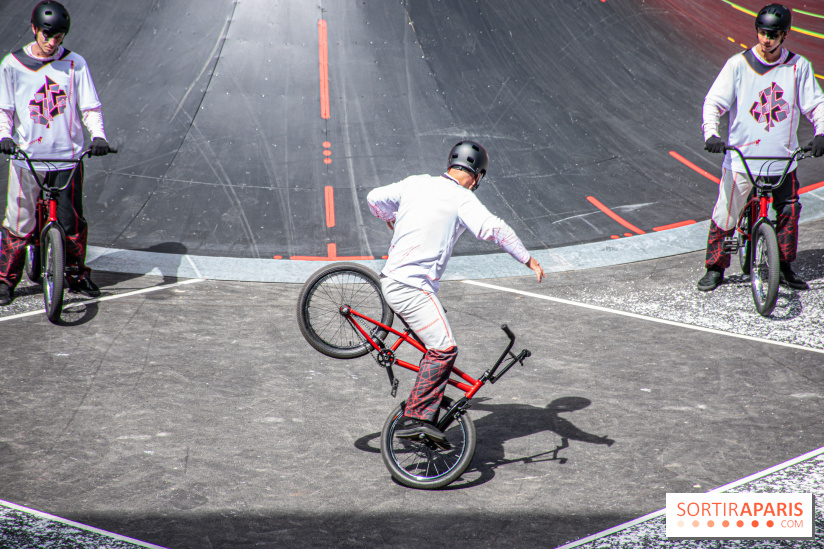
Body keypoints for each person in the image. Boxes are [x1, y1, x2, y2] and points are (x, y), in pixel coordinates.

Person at [366, 140, 544, 443]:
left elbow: (373, 199)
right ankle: (415, 417)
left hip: (393, 280)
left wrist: (390, 219)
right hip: (411, 288)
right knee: (444, 349)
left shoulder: (416, 183)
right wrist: (528, 259)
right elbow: (495, 229)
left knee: (436, 341)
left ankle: (426, 396)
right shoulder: (463, 199)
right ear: (477, 176)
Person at [697, 3, 824, 292]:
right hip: (742, 161)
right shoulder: (738, 65)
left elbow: (817, 104)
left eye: (774, 34)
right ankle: (715, 267)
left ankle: (785, 266)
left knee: (789, 212)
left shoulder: (798, 67)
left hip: (782, 160)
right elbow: (714, 103)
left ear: (785, 35)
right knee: (726, 213)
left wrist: (821, 133)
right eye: (762, 33)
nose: (766, 39)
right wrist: (711, 134)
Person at [0, 1, 111, 306]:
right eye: (47, 36)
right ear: (34, 28)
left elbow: (90, 107)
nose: (52, 43)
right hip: (27, 158)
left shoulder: (75, 64)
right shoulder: (12, 64)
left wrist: (98, 136)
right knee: (19, 222)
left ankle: (74, 275)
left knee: (71, 222)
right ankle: (6, 280)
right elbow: (4, 109)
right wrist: (4, 136)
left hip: (67, 158)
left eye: (59, 37)